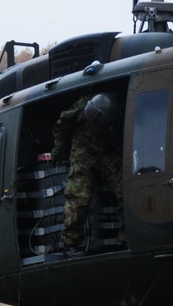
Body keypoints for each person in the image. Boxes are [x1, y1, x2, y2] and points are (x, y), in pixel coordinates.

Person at [51, 93, 123, 254]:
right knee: (77, 195)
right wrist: (59, 148)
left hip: (108, 151)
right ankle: (70, 242)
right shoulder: (81, 107)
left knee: (124, 190)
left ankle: (126, 237)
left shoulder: (120, 113)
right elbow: (61, 125)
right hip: (83, 148)